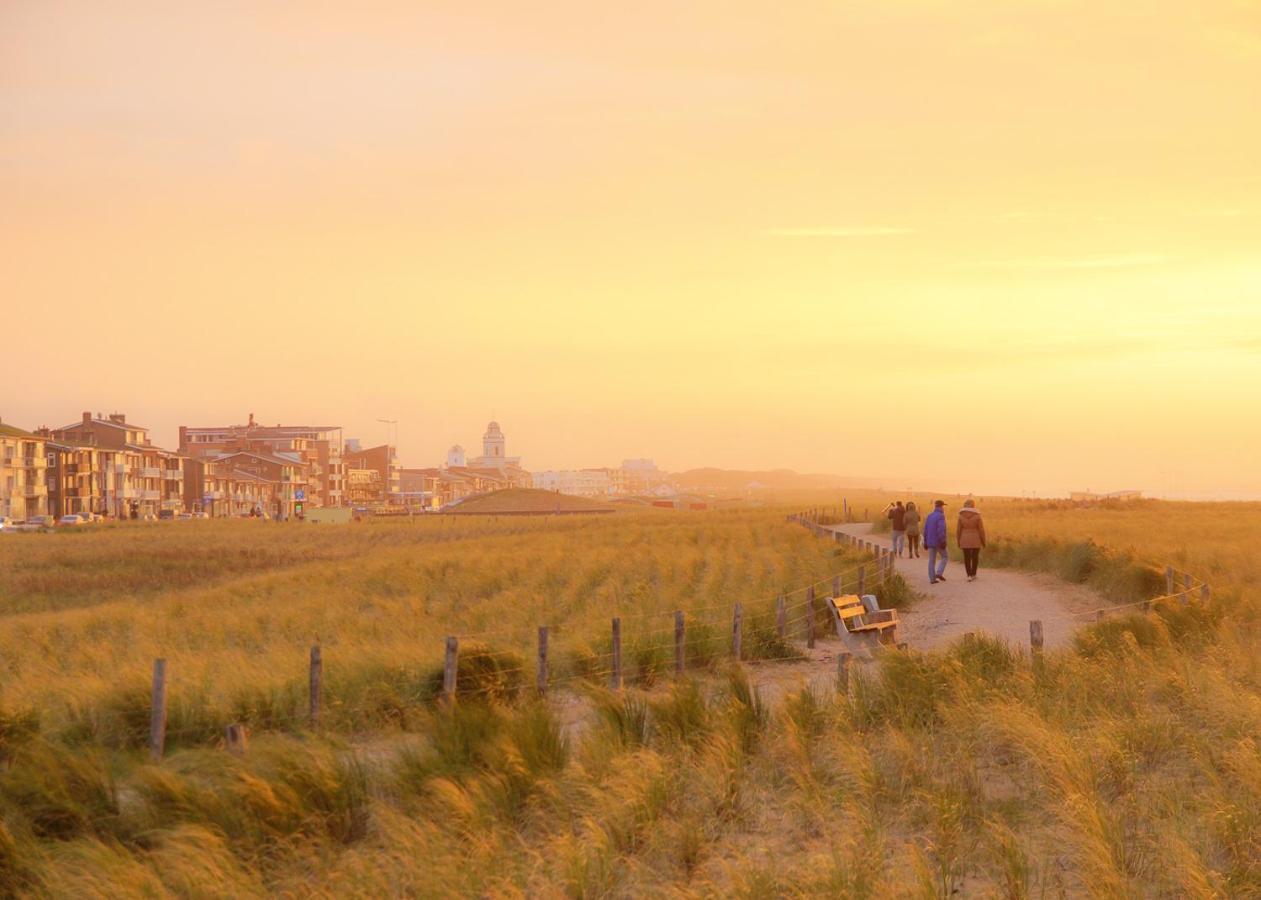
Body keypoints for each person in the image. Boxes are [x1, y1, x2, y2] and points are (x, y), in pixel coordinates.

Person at [957, 498, 987, 581]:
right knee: (975, 557)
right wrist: (983, 541)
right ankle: (974, 574)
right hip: (976, 538)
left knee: (966, 557)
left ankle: (968, 575)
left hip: (964, 538)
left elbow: (958, 530)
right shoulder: (978, 516)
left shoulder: (960, 516)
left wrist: (958, 540)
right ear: (973, 506)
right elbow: (981, 529)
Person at [923, 500, 948, 583]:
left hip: (930, 541)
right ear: (941, 506)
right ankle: (939, 573)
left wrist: (925, 542)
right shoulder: (941, 516)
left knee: (931, 560)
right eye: (943, 506)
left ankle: (932, 579)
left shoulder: (929, 516)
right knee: (945, 556)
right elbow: (941, 530)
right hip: (938, 541)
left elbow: (925, 530)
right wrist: (943, 541)